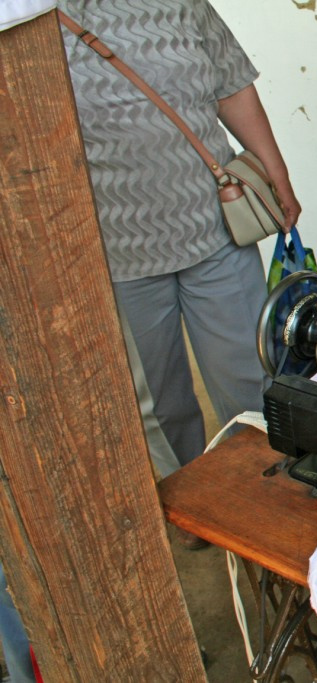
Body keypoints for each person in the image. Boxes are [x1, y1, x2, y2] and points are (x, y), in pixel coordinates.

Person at [57, 1, 300, 547]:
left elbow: (232, 86)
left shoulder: (180, 2)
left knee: (248, 375)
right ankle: (199, 503)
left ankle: (270, 494)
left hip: (214, 223)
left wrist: (276, 173)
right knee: (160, 398)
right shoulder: (35, 19)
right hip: (113, 248)